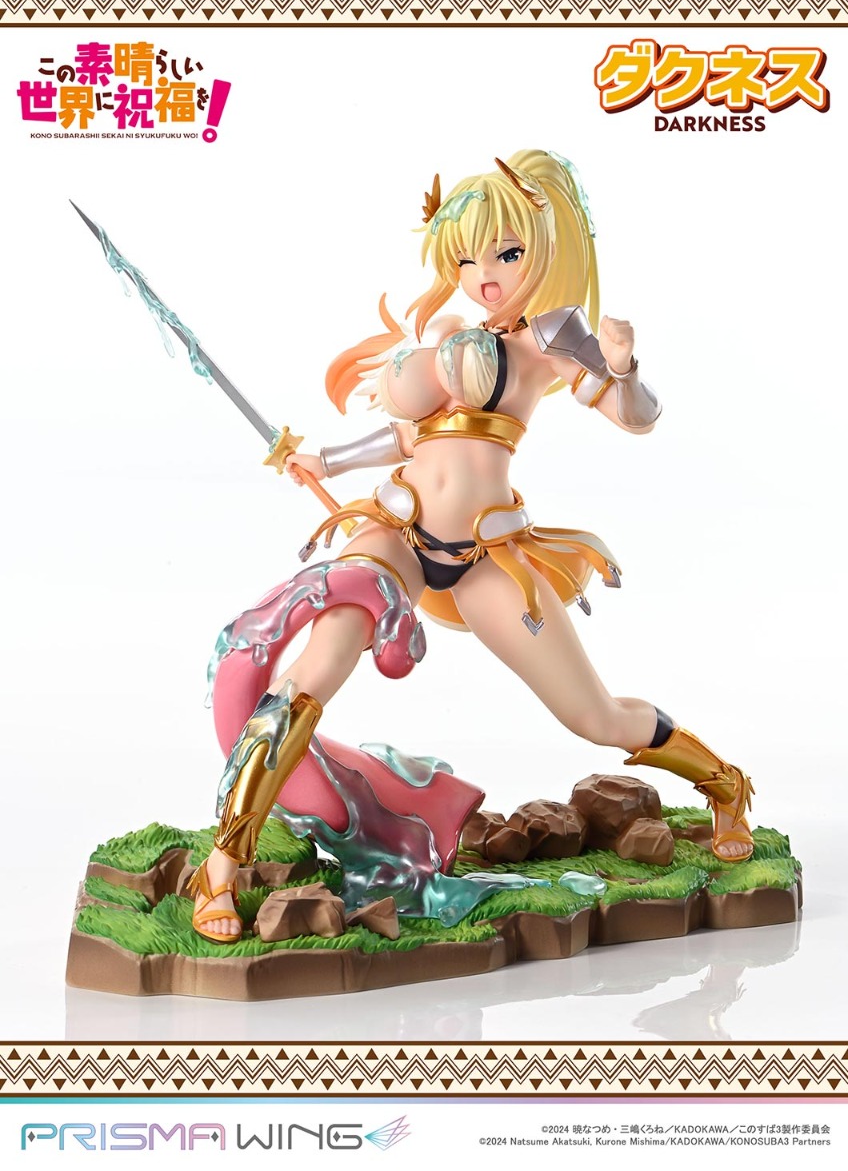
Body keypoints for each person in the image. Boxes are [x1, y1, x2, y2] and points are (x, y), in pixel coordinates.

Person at [190, 149, 754, 942]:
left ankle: (724, 782)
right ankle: (223, 865)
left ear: (545, 247)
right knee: (315, 670)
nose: (484, 275)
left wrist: (626, 369)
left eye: (506, 253)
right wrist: (325, 460)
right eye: (466, 259)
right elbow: (407, 436)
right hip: (394, 530)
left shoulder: (552, 336)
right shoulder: (449, 336)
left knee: (591, 713)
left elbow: (638, 416)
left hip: (487, 558)